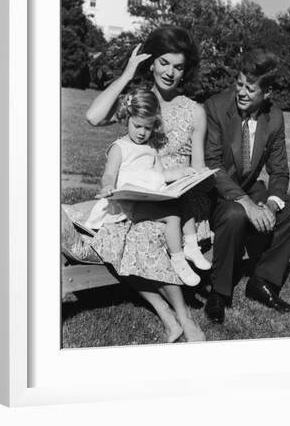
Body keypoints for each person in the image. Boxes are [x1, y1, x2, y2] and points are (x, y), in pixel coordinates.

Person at [85, 25, 210, 343]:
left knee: (143, 236)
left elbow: (198, 170)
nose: (170, 72)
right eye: (164, 62)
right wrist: (128, 73)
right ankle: (171, 315)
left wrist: (198, 213)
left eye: (178, 67)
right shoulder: (137, 102)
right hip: (133, 200)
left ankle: (183, 317)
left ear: (185, 72)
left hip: (173, 202)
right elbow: (93, 116)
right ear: (151, 62)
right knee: (114, 237)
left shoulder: (194, 111)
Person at [203, 48, 290, 324]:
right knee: (236, 213)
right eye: (239, 84)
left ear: (268, 92)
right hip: (215, 193)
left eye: (250, 88)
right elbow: (212, 166)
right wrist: (246, 203)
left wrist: (272, 205)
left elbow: (280, 170)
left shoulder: (274, 118)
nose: (242, 92)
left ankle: (262, 281)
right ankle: (219, 292)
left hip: (251, 189)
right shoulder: (215, 107)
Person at [86, 87, 211, 286]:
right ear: (127, 118)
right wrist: (108, 186)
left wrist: (182, 173)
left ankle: (191, 246)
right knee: (172, 216)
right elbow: (109, 173)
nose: (143, 133)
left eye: (148, 127)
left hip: (146, 198)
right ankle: (178, 260)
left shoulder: (150, 148)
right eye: (138, 126)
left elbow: (161, 174)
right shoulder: (119, 147)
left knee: (183, 201)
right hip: (127, 204)